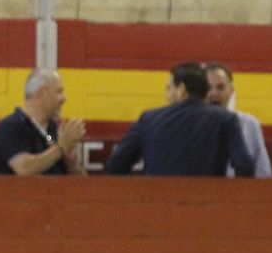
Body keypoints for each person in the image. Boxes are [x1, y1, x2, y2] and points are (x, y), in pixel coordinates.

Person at [103, 61, 255, 176]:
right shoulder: (226, 119)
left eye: (170, 88)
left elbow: (116, 166)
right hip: (207, 208)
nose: (167, 96)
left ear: (181, 89)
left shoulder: (149, 119)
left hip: (157, 208)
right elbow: (245, 166)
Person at [0, 68, 87, 175]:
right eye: (59, 91)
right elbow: (24, 169)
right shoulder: (10, 127)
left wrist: (72, 161)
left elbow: (83, 183)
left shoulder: (52, 131)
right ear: (42, 94)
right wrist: (61, 148)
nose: (64, 98)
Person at [204, 62, 272, 178]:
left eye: (220, 87)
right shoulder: (192, 126)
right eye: (207, 88)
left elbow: (263, 174)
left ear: (231, 91)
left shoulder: (249, 124)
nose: (213, 93)